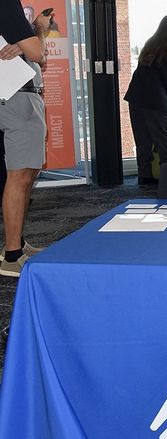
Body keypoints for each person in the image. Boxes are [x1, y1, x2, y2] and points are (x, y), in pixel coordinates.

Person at [0, 3, 51, 276]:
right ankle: (11, 256)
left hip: (13, 95)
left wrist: (21, 45)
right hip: (18, 97)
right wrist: (39, 31)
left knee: (25, 173)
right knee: (20, 175)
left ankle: (16, 243)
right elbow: (38, 53)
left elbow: (28, 49)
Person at [124, 15, 167, 186]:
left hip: (136, 96)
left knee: (142, 140)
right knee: (163, 140)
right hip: (156, 100)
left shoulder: (150, 44)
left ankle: (145, 176)